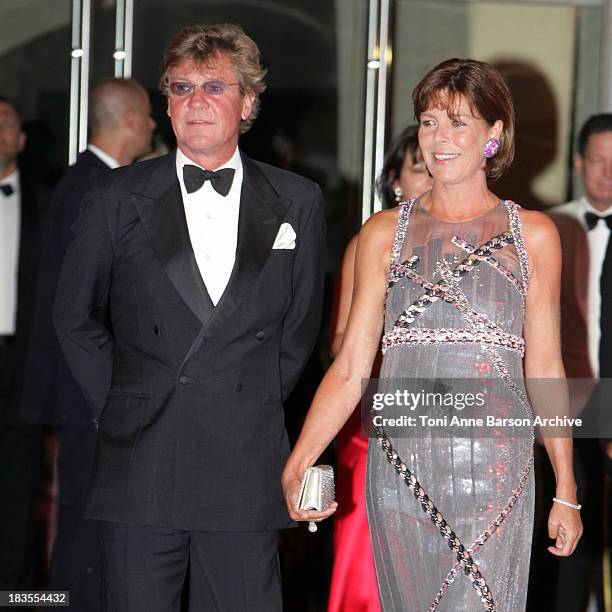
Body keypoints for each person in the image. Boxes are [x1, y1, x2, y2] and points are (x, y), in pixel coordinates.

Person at [282, 58, 582, 611]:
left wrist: (566, 486)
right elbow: (350, 367)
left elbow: (544, 368)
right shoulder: (382, 233)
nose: (438, 139)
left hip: (496, 470)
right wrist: (302, 455)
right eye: (428, 122)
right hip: (402, 470)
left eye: (458, 123)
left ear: (495, 134)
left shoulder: (534, 236)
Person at [53, 23, 325, 611]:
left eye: (213, 87)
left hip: (243, 463)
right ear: (166, 104)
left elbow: (299, 329)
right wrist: (125, 402)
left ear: (248, 101)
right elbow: (73, 318)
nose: (195, 101)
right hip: (141, 463)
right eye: (180, 89)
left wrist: (247, 403)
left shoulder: (298, 200)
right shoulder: (115, 197)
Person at [21, 78, 155, 612]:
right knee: (82, 513)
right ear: (126, 119)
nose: (152, 125)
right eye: (147, 115)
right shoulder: (95, 189)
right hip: (86, 384)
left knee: (84, 510)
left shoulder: (86, 183)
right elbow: (83, 303)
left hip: (83, 381)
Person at [328, 125, 432, 612]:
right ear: (394, 180)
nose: (432, 176)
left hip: (451, 423)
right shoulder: (370, 244)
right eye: (418, 168)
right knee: (369, 572)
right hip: (379, 424)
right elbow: (341, 346)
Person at [544, 113, 612, 611]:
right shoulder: (546, 229)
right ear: (577, 163)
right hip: (569, 399)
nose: (608, 173)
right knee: (570, 525)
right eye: (597, 161)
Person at [0, 97, 43, 593]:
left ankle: (17, 594)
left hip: (23, 361)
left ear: (22, 139)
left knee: (18, 488)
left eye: (8, 123)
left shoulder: (44, 204)